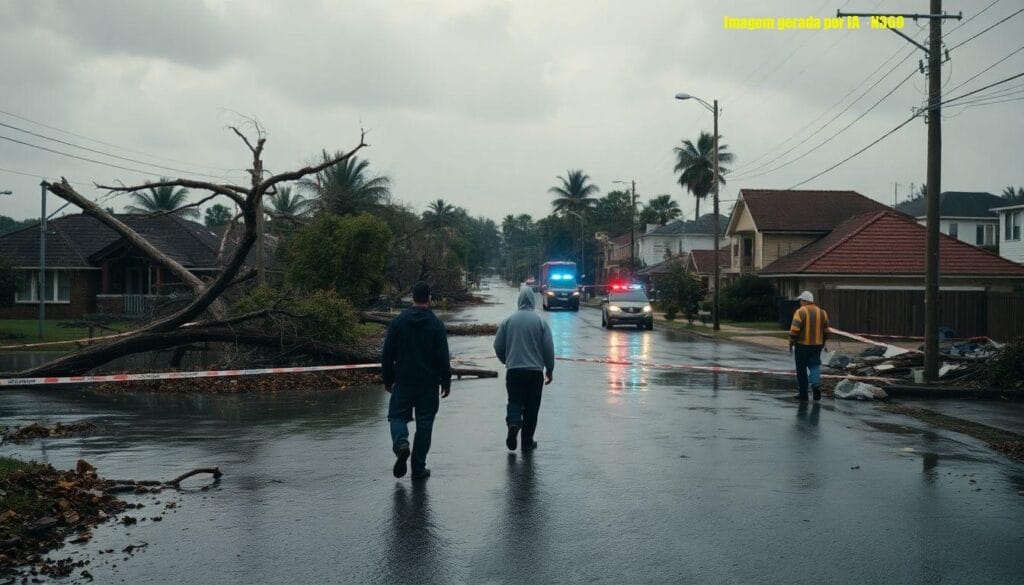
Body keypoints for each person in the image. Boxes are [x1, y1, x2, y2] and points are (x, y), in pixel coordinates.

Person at [381, 281, 451, 480]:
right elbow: (443, 357)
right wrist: (446, 381)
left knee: (397, 416)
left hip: (403, 380)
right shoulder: (436, 324)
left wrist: (387, 379)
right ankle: (418, 468)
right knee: (425, 423)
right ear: (429, 298)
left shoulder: (398, 322)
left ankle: (401, 443)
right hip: (428, 383)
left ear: (412, 296)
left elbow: (387, 354)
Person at [493, 285, 555, 452]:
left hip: (514, 371)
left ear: (519, 300)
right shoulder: (540, 322)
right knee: (532, 408)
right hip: (535, 373)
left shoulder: (508, 321)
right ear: (533, 301)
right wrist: (549, 370)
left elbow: (498, 345)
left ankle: (513, 423)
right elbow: (548, 348)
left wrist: (507, 360)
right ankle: (527, 442)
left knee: (514, 400)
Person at [788, 290, 830, 401]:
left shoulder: (800, 312)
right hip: (817, 345)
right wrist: (823, 342)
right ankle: (816, 385)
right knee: (814, 365)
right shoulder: (822, 313)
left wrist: (791, 342)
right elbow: (827, 331)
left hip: (802, 346)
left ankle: (803, 394)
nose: (800, 302)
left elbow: (794, 330)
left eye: (801, 300)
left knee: (801, 369)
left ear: (805, 301)